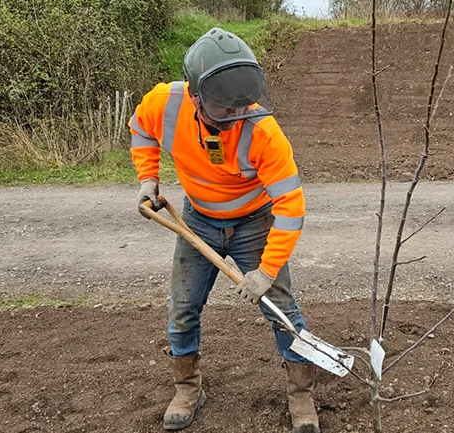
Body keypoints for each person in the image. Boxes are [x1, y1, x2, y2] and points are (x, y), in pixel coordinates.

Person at [129, 27, 319, 433]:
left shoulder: (263, 131)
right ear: (197, 97)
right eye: (224, 107)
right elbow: (141, 129)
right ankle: (187, 388)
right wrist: (148, 179)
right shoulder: (165, 103)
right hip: (197, 218)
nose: (236, 114)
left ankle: (301, 394)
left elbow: (290, 209)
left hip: (255, 223)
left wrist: (266, 272)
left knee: (282, 310)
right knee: (182, 309)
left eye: (241, 104)